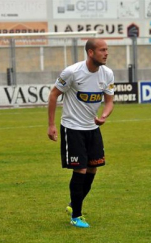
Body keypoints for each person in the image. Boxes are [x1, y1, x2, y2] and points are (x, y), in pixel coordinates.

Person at [47, 38, 115, 228]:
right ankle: (76, 215)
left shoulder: (107, 73)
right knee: (81, 169)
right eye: (102, 50)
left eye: (107, 50)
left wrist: (104, 116)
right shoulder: (72, 73)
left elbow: (109, 101)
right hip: (72, 128)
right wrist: (51, 125)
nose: (106, 53)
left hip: (92, 129)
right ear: (91, 53)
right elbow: (53, 95)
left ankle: (73, 205)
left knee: (93, 168)